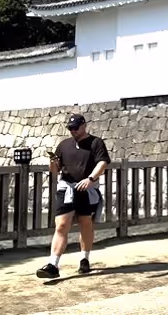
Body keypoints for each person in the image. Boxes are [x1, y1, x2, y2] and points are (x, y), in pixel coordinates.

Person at [37, 115, 111, 279]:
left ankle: (85, 259)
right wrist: (53, 162)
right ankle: (53, 265)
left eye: (76, 128)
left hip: (86, 187)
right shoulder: (63, 145)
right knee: (62, 225)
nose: (73, 131)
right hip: (66, 188)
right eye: (70, 128)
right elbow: (55, 170)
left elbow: (102, 163)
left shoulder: (96, 143)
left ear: (84, 125)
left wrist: (91, 178)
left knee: (86, 223)